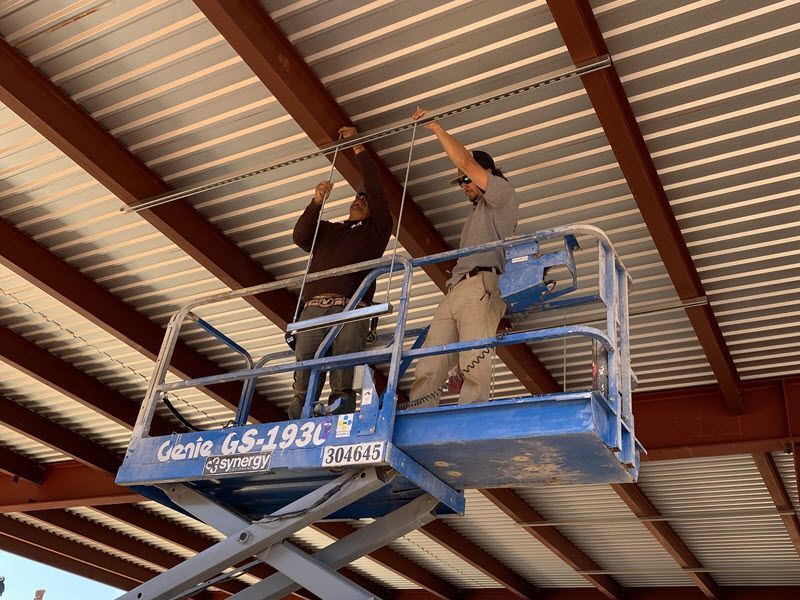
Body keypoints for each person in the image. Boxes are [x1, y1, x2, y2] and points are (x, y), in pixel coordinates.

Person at [406, 107, 519, 409]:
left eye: (465, 180)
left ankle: (470, 411)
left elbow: (466, 162)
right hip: (456, 288)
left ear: (487, 175)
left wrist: (438, 130)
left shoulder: (503, 194)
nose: (463, 185)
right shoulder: (475, 216)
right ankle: (419, 415)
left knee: (473, 359)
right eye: (460, 182)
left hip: (480, 283)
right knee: (430, 360)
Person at [287, 126, 392, 419]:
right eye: (357, 196)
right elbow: (300, 236)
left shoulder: (376, 232)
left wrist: (358, 148)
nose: (360, 199)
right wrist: (316, 202)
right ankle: (299, 418)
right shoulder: (329, 230)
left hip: (350, 307)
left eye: (366, 199)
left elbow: (379, 196)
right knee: (304, 373)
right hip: (313, 308)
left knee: (343, 371)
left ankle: (338, 412)